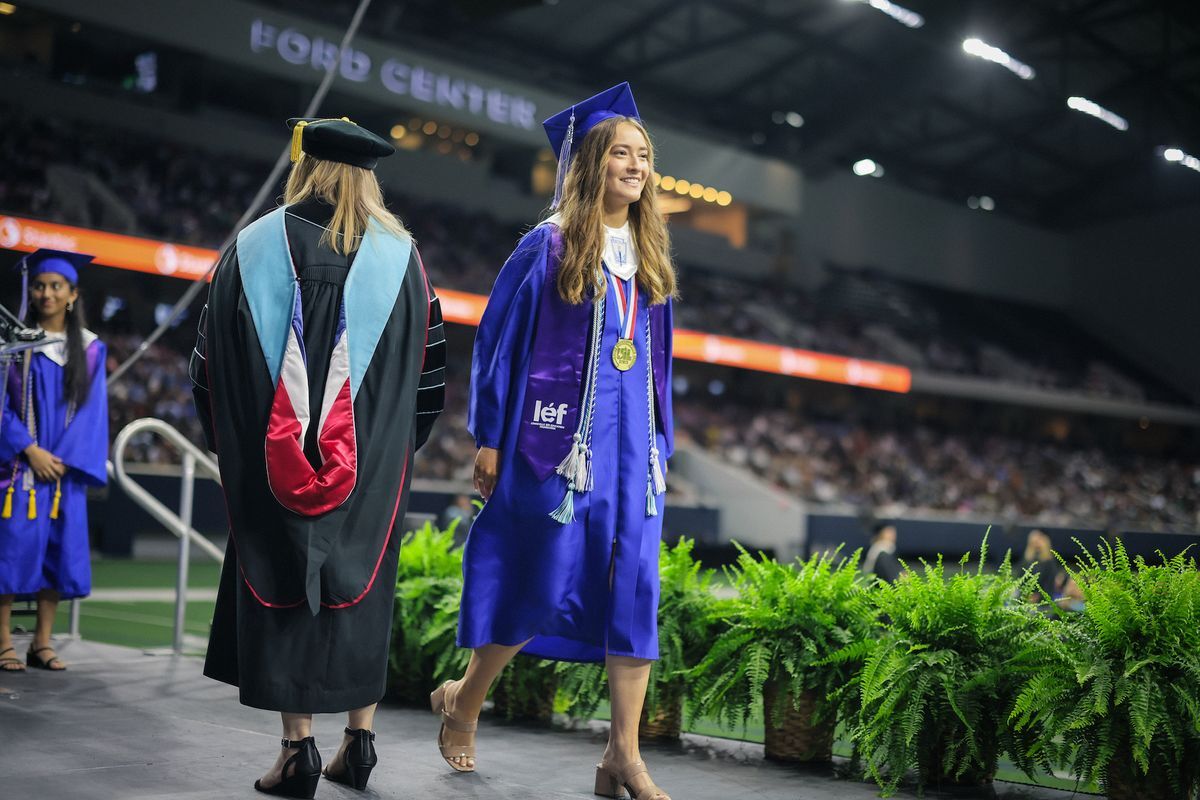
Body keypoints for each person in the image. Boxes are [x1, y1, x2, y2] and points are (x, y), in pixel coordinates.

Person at [434, 82, 676, 800]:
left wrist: (663, 443)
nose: (636, 166)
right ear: (592, 163)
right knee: (541, 576)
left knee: (634, 588)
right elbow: (499, 342)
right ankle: (465, 698)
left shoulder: (650, 253)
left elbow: (657, 361)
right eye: (622, 154)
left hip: (634, 451)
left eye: (644, 156)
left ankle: (622, 756)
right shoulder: (548, 244)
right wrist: (488, 436)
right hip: (556, 446)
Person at [191, 117, 445, 798]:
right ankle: (358, 743)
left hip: (269, 468)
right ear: (369, 176)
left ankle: (296, 751)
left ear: (306, 169)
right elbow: (430, 381)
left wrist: (243, 451)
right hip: (374, 469)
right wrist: (390, 451)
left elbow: (207, 367)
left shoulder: (251, 248)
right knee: (361, 592)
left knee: (282, 594)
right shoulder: (405, 261)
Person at [0, 249, 108, 673]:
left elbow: (93, 410)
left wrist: (62, 460)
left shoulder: (91, 350)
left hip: (63, 473)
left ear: (72, 294)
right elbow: (3, 407)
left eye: (56, 286)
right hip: (20, 469)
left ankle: (41, 643)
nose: (46, 293)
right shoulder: (14, 347)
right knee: (10, 553)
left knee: (57, 556)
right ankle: (4, 641)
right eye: (40, 285)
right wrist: (29, 449)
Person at [1017, 529, 1062, 605]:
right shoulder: (1026, 560)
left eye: (1039, 541)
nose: (1037, 544)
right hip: (1025, 597)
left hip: (1044, 599)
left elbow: (1050, 582)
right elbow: (1020, 578)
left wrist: (1038, 595)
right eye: (1034, 542)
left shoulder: (1049, 562)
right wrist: (1027, 594)